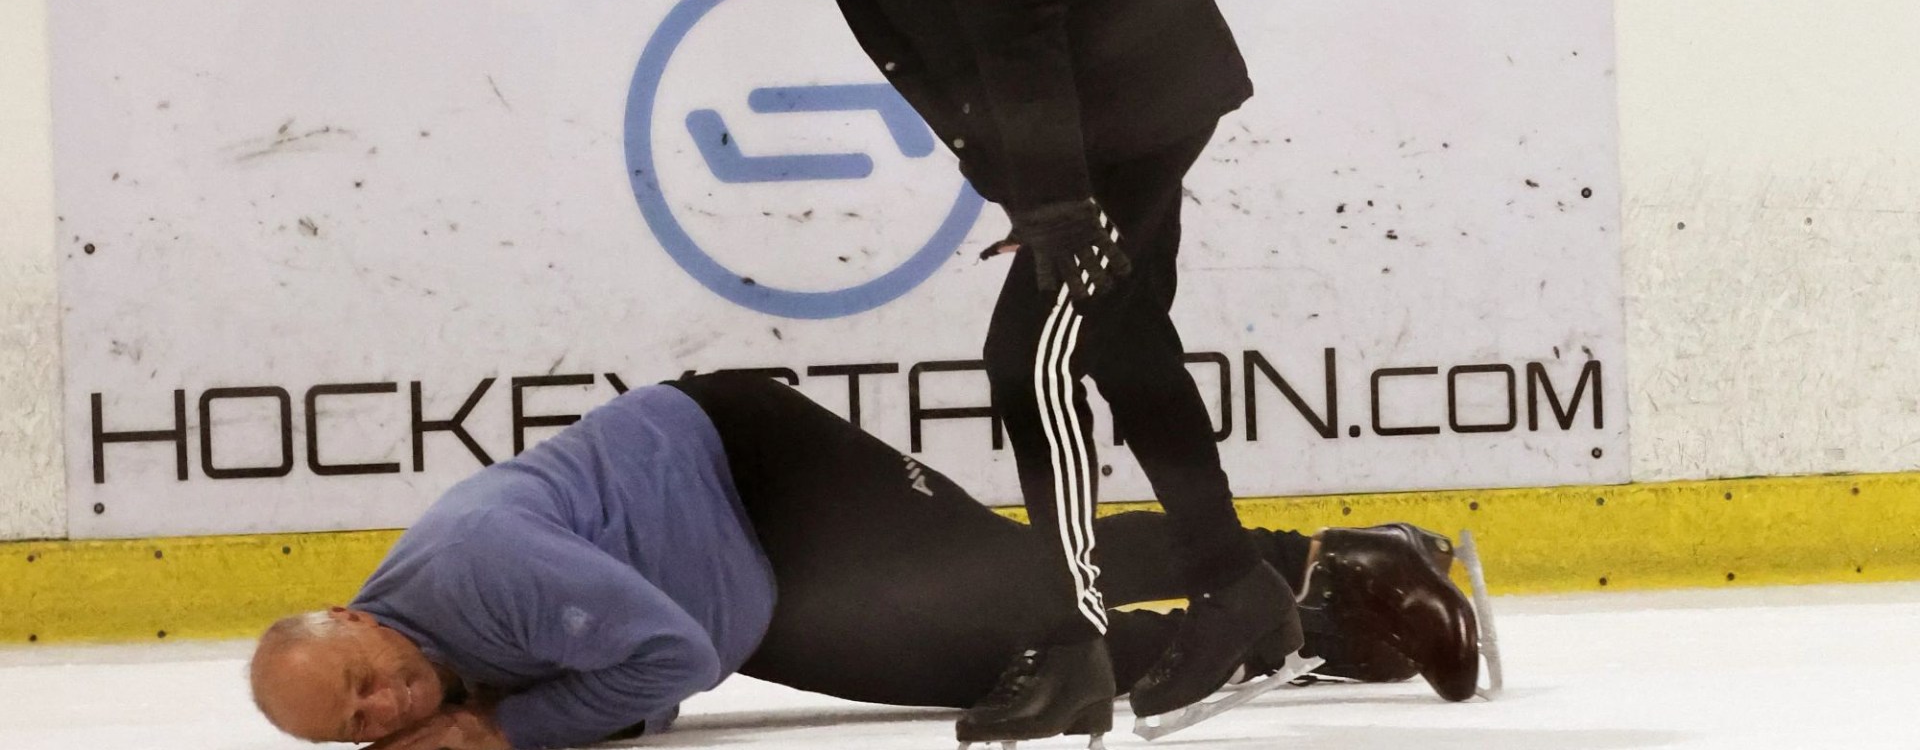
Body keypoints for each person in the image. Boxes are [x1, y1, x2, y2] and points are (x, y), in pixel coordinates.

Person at [655, 0, 1285, 742]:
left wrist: (1054, 194)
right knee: (1122, 338)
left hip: (1121, 113)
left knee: (1027, 362)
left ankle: (1074, 643)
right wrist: (1040, 185)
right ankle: (1240, 590)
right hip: (1122, 112)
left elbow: (1011, 6)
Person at [248, 374, 1480, 750]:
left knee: (1006, 580)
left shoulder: (477, 578)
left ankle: (1332, 554)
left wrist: (510, 734)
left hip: (746, 462)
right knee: (993, 669)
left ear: (352, 617)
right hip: (737, 582)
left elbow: (671, 660)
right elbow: (660, 675)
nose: (383, 708)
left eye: (363, 680)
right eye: (354, 726)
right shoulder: (432, 658)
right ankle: (1320, 629)